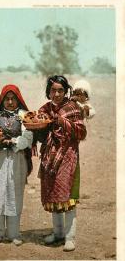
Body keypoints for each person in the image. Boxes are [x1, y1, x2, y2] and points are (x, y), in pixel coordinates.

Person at [34, 75, 87, 251]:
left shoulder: (72, 108)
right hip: (50, 158)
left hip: (68, 157)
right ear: (48, 92)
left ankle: (70, 237)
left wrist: (61, 121)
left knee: (68, 197)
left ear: (66, 91)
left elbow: (81, 132)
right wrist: (39, 129)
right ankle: (58, 234)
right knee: (53, 196)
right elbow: (38, 131)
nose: (56, 94)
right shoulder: (45, 109)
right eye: (53, 90)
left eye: (60, 90)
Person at [0, 84, 33, 246]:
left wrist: (14, 142)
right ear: (2, 100)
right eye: (7, 99)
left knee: (14, 194)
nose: (10, 102)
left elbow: (28, 137)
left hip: (16, 158)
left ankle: (14, 234)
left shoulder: (24, 115)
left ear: (18, 100)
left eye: (13, 99)